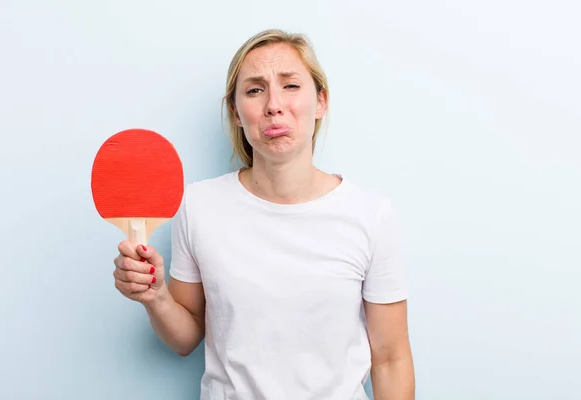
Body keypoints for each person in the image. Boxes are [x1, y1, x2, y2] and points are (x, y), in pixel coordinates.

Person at [113, 29, 415, 400]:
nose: (274, 104)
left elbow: (390, 358)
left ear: (321, 102)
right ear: (236, 113)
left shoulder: (371, 215)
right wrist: (156, 296)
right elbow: (185, 338)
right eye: (255, 90)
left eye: (290, 86)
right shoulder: (199, 206)